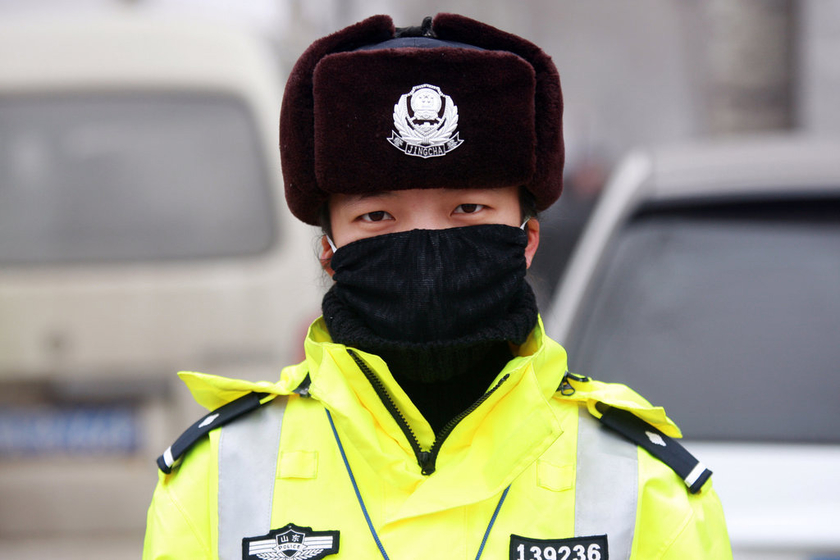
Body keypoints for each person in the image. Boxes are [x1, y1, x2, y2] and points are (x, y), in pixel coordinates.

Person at [143, 13, 731, 560]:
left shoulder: (644, 486)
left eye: (468, 209)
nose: (425, 243)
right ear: (329, 251)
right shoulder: (217, 478)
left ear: (526, 240)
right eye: (377, 216)